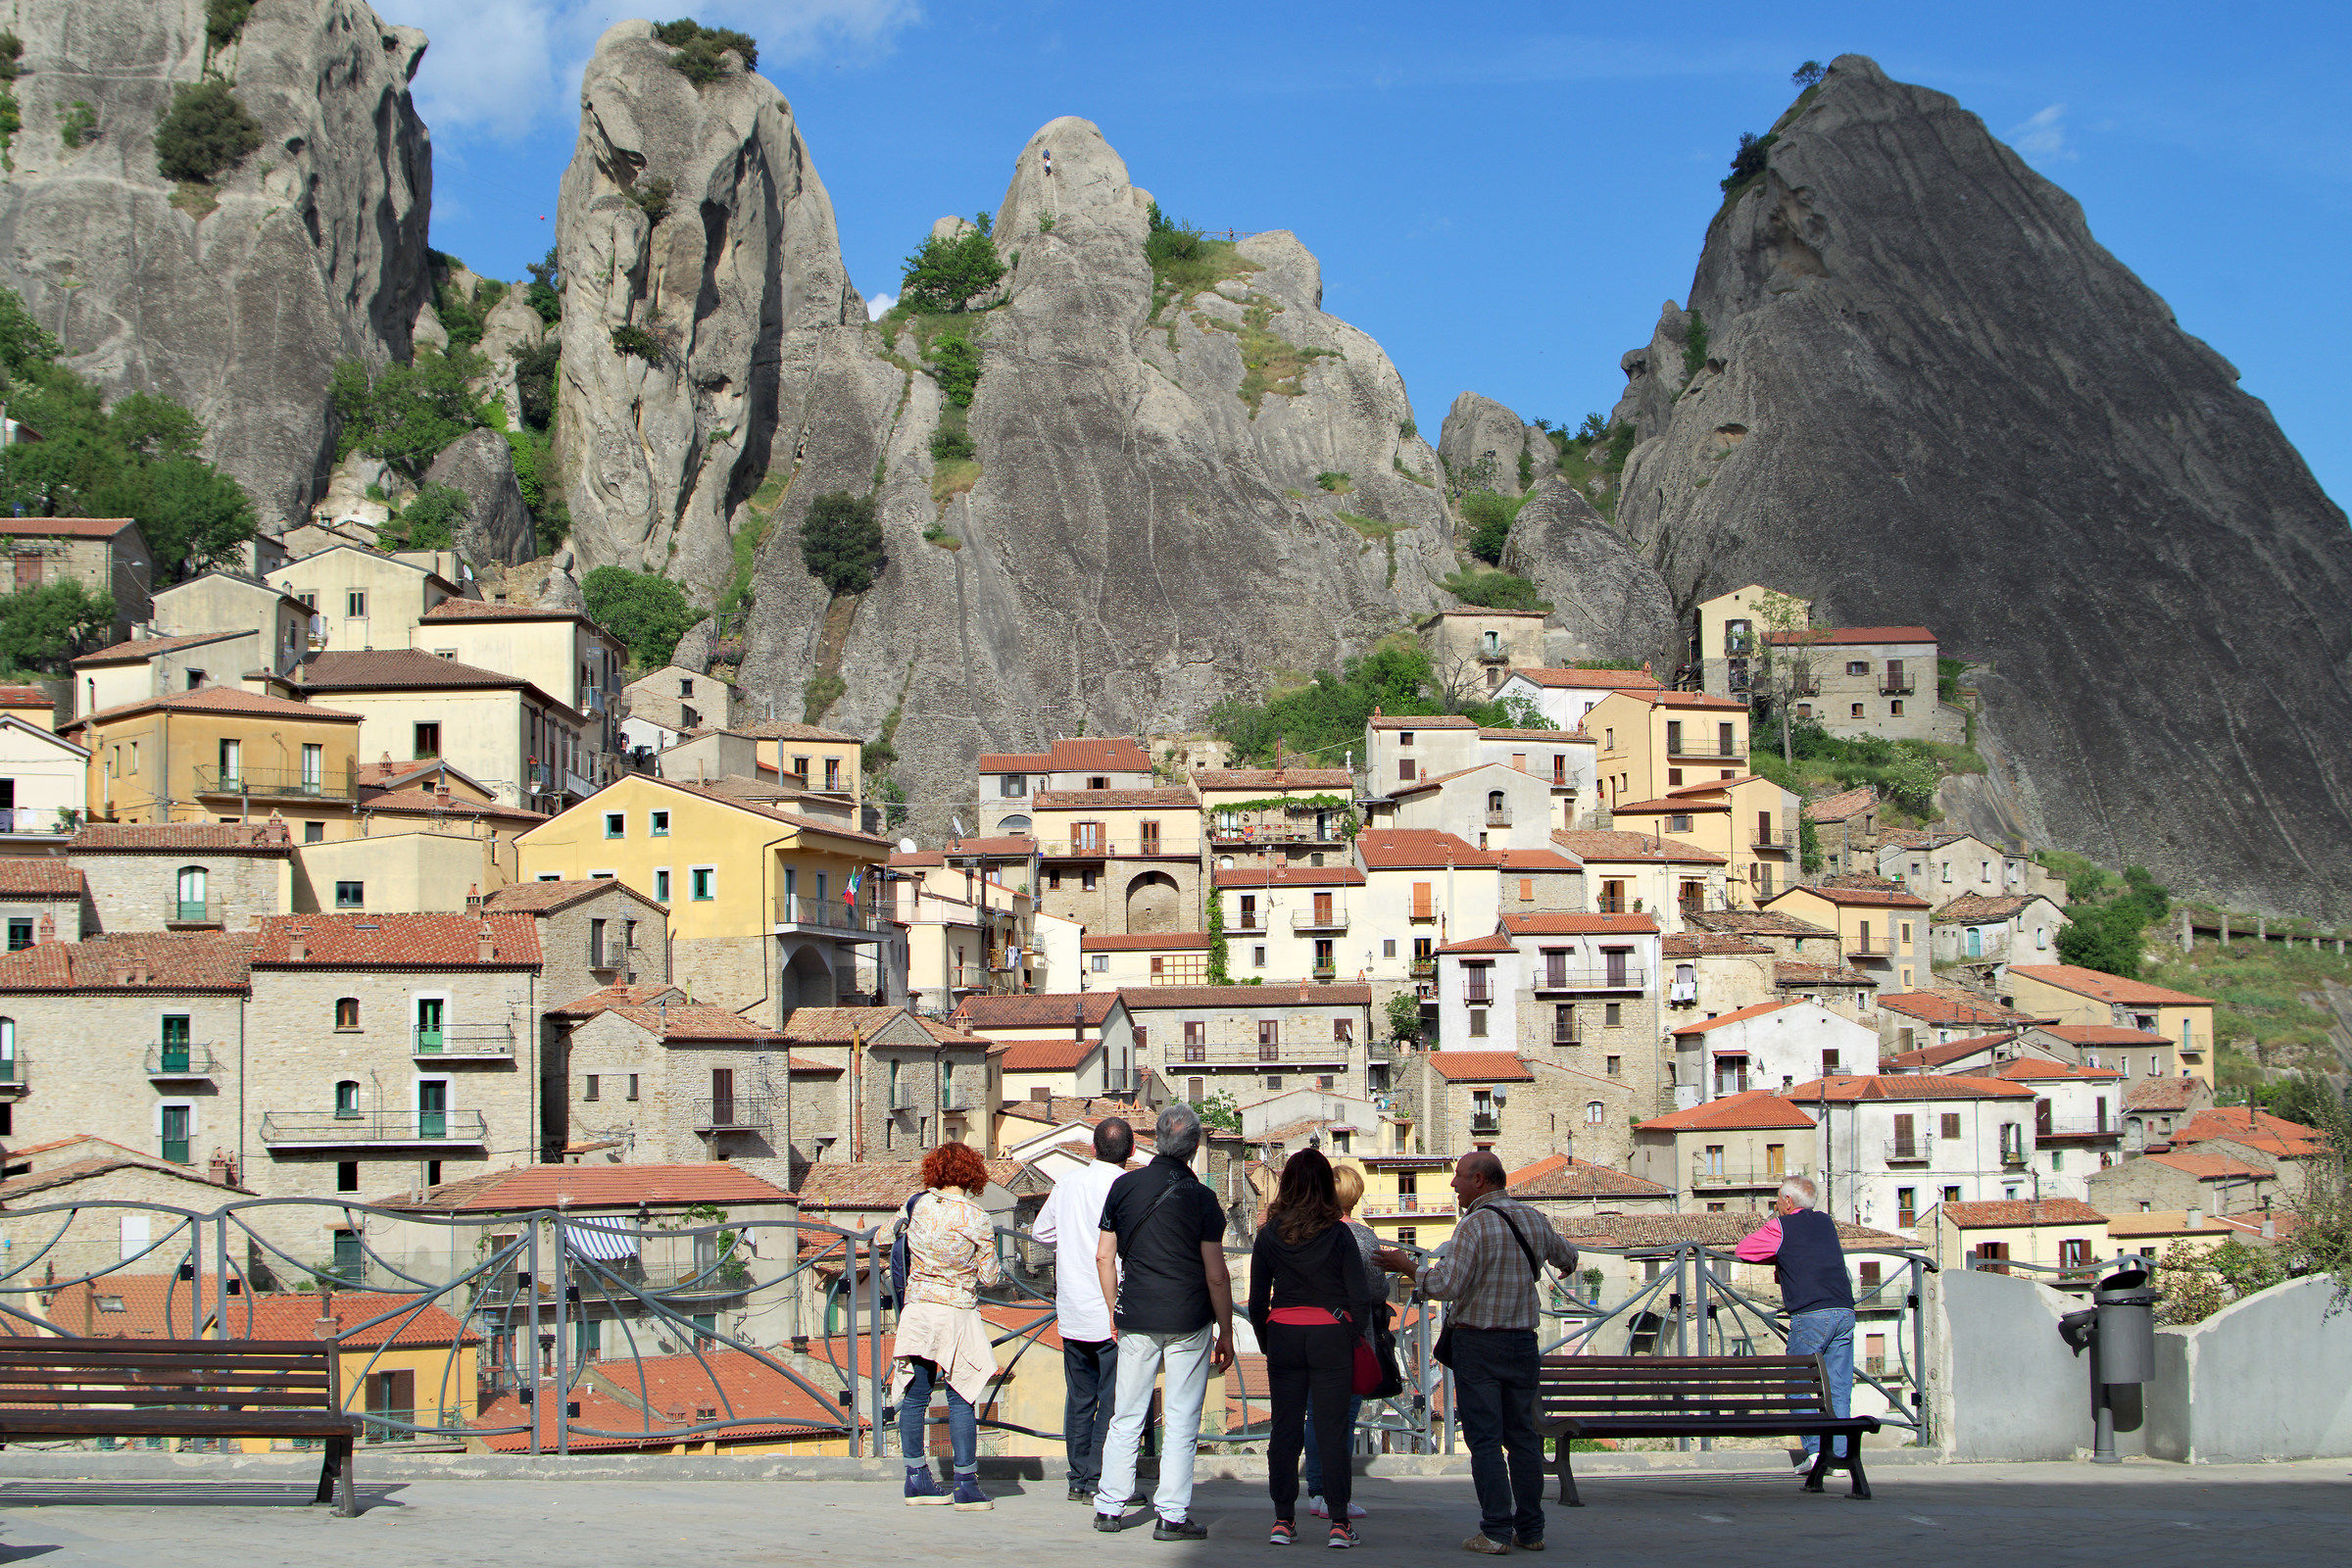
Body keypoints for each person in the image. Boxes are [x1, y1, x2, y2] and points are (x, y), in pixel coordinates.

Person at [1373, 1152, 1577, 1556]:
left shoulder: (1473, 1226)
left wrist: (1408, 1267)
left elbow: (1447, 1284)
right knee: (1523, 1437)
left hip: (1480, 1343)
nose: (1453, 1185)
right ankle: (1531, 1530)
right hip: (1522, 1341)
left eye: (1459, 1178)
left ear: (1480, 1180)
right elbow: (1567, 1259)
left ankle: (1496, 1531)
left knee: (1485, 1440)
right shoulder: (1535, 1218)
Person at [1092, 1102, 1234, 1541]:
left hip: (1136, 1313)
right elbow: (1215, 1272)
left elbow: (1104, 1256)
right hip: (1190, 1318)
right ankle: (1171, 1515)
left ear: (1154, 1138)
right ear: (1193, 1147)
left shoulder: (1124, 1187)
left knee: (1126, 1413)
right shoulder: (1204, 1199)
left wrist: (1116, 1307)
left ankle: (1109, 1506)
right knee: (1182, 1418)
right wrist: (1226, 1331)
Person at [1250, 1148, 1378, 1548]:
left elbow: (1257, 1301)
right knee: (1332, 1429)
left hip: (1285, 1335)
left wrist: (1268, 1341)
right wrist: (1352, 1335)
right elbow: (1358, 1298)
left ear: (1287, 1184)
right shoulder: (1339, 1234)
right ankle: (1339, 1524)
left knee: (1284, 1430)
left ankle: (1282, 1521)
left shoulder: (1269, 1234)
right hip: (1331, 1338)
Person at [891, 1142, 1003, 1511]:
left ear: (934, 1171)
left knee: (916, 1395)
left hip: (919, 1310)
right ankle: (966, 1485)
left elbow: (889, 1234)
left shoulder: (917, 1204)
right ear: (973, 1173)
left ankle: (916, 1479)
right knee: (961, 1397)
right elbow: (989, 1276)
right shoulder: (976, 1217)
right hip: (956, 1313)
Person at [1030, 1116, 1132, 1502]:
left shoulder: (1067, 1185)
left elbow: (1040, 1233)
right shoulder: (1125, 1187)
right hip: (1112, 1309)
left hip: (1071, 1307)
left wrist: (1070, 1241)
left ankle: (1077, 1478)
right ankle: (1100, 1478)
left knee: (1080, 1397)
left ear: (1092, 1148)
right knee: (1112, 1398)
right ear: (1132, 1151)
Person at [1736, 1175, 1855, 1473]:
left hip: (1812, 1314)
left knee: (1798, 1385)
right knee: (1837, 1385)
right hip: (1844, 1310)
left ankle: (1815, 1454)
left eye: (1778, 1197)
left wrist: (1779, 1255)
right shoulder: (1826, 1223)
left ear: (1788, 1202)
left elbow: (1744, 1250)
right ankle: (1838, 1457)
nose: (1775, 1203)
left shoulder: (1780, 1226)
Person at [1303, 1159, 1381, 1524]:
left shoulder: (1306, 1232)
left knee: (1314, 1416)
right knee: (1344, 1420)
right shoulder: (1363, 1237)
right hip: (1349, 1337)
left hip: (1309, 1334)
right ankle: (1336, 1495)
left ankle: (1316, 1491)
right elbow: (1377, 1289)